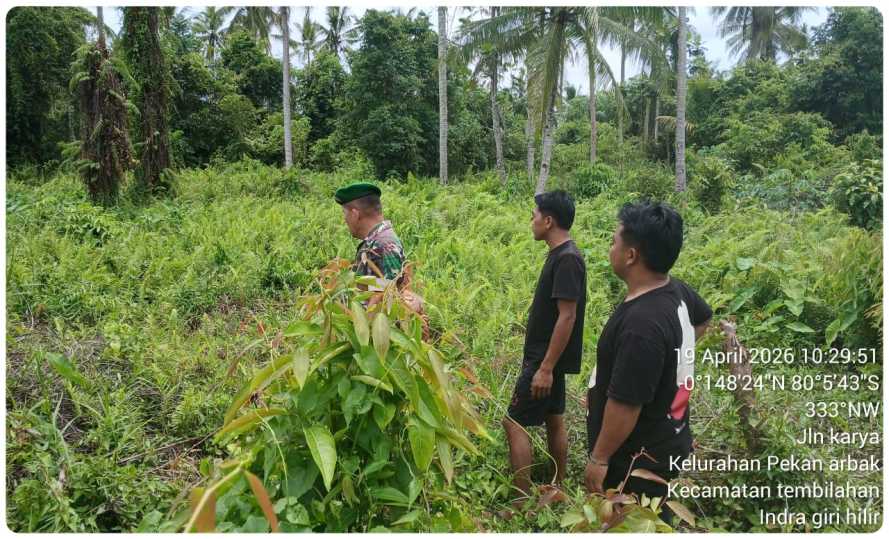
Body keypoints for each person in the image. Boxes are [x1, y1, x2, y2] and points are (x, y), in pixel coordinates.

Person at [584, 202, 711, 516]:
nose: (610, 246)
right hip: (668, 440)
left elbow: (626, 406)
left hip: (635, 459)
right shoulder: (675, 289)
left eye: (614, 241)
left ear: (631, 255)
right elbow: (703, 317)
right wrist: (671, 359)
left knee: (631, 520)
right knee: (656, 515)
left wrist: (599, 459)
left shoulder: (643, 326)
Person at [503, 190, 587, 504]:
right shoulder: (562, 255)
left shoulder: (567, 259)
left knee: (513, 423)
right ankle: (556, 487)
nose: (531, 221)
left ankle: (520, 501)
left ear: (549, 220)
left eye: (534, 215)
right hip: (550, 358)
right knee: (554, 418)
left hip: (545, 360)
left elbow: (568, 316)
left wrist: (546, 368)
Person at [334, 182, 405, 287]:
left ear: (355, 214)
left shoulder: (384, 245)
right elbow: (378, 287)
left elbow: (391, 292)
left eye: (344, 213)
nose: (344, 220)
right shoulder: (376, 242)